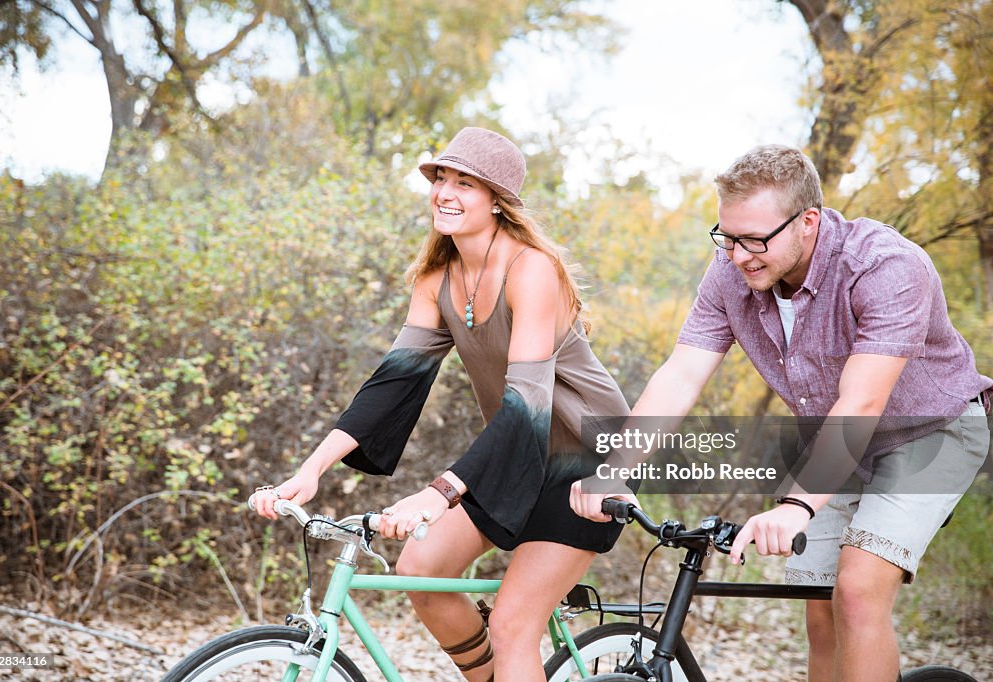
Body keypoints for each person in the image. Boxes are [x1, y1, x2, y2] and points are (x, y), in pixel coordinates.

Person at [572, 145, 991, 682]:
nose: (740, 255)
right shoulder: (730, 271)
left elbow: (862, 402)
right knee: (818, 607)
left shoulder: (886, 266)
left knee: (858, 592)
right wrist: (615, 469)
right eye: (727, 237)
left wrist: (796, 505)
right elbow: (681, 375)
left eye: (755, 239)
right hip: (833, 438)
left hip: (932, 435)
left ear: (808, 221)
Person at [251, 126, 635, 682]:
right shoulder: (437, 278)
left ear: (498, 201)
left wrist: (440, 492)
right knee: (421, 572)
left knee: (511, 628)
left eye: (465, 183)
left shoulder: (531, 270)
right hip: (519, 455)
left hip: (587, 459)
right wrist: (311, 470)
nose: (445, 192)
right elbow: (392, 386)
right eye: (441, 179)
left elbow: (528, 402)